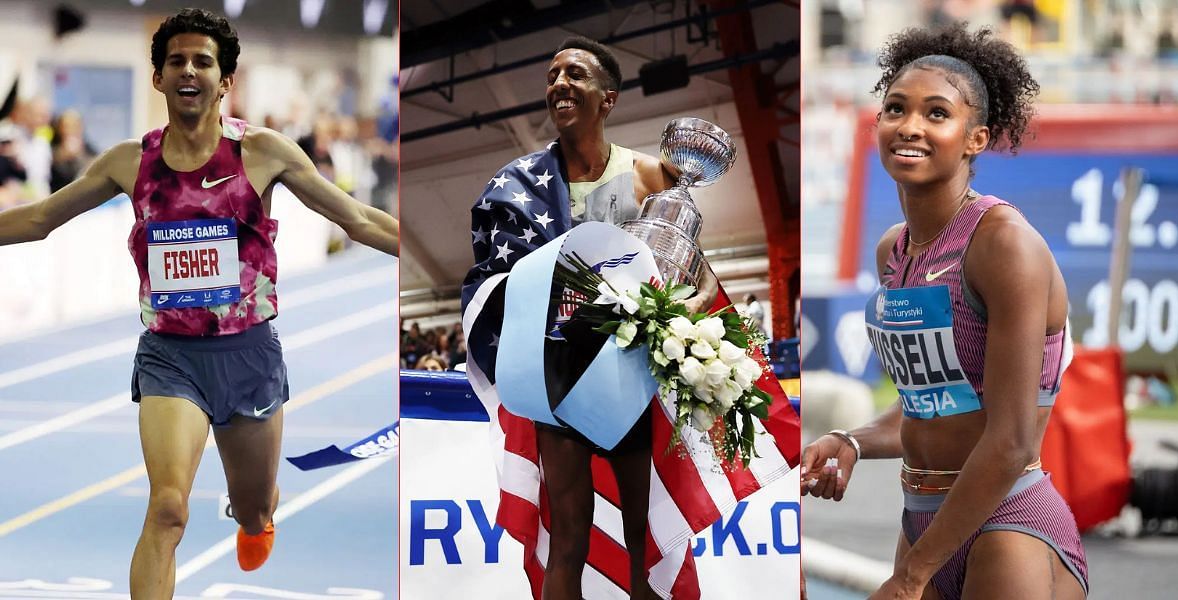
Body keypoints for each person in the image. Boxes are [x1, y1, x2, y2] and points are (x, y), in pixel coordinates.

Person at [0, 9, 398, 598]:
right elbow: (37, 218)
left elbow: (358, 218)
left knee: (254, 506)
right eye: (176, 61)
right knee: (167, 508)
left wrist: (445, 260)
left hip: (249, 356)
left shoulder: (263, 153)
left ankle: (255, 518)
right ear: (158, 77)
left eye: (203, 62)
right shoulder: (130, 162)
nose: (189, 71)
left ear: (225, 80)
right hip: (170, 357)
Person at [799, 23, 1087, 600]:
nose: (909, 126)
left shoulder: (1004, 244)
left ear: (975, 138)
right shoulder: (893, 251)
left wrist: (909, 577)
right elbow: (930, 406)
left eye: (936, 113)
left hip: (1007, 524)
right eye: (896, 109)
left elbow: (1010, 442)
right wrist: (851, 440)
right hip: (921, 520)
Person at [461, 37, 724, 600]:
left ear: (608, 98)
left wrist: (683, 319)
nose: (558, 83)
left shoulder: (655, 176)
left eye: (575, 74)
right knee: (569, 535)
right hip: (560, 379)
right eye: (552, 75)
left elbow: (700, 277)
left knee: (643, 534)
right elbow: (496, 282)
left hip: (635, 375)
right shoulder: (520, 186)